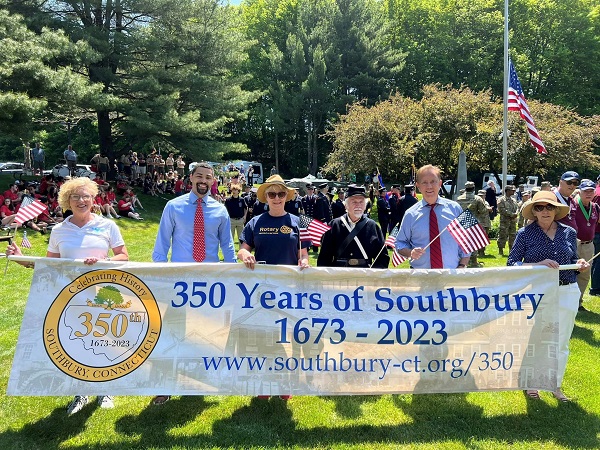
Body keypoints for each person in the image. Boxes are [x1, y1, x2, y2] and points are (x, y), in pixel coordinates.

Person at [5, 177, 129, 414]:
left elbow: (123, 256)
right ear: (67, 201)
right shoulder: (59, 230)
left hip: (103, 293)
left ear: (93, 199)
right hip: (71, 296)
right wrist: (20, 257)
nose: (81, 201)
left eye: (86, 196)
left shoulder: (107, 226)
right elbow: (50, 265)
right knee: (78, 343)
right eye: (76, 197)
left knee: (105, 341)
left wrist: (106, 261)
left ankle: (106, 389)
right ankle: (80, 392)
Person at [151, 162, 236, 405]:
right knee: (172, 333)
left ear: (212, 181)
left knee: (204, 333)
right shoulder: (173, 207)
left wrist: (232, 272)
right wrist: (160, 274)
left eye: (208, 177)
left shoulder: (220, 211)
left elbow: (227, 246)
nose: (203, 180)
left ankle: (198, 380)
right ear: (191, 178)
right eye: (199, 176)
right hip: (178, 281)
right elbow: (162, 244)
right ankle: (165, 385)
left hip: (208, 284)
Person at [507, 191, 589, 402]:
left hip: (567, 290)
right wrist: (537, 265)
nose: (545, 211)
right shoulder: (525, 234)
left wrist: (580, 264)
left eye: (549, 207)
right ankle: (532, 383)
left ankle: (555, 385)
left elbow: (573, 259)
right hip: (538, 293)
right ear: (533, 211)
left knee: (561, 341)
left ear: (555, 210)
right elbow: (512, 264)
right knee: (537, 339)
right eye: (540, 207)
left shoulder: (569, 232)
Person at [395, 165, 471, 269]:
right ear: (418, 186)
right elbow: (400, 243)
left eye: (433, 181)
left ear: (440, 183)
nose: (429, 186)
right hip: (421, 277)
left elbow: (467, 240)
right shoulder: (410, 214)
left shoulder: (456, 208)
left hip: (451, 275)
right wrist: (410, 252)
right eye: (424, 182)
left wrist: (462, 265)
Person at [317, 184, 389, 268]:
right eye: (354, 202)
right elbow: (324, 257)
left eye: (361, 202)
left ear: (365, 205)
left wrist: (372, 276)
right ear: (346, 205)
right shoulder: (334, 225)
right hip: (339, 275)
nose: (358, 205)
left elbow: (382, 258)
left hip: (364, 276)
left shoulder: (372, 226)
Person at [573, 179, 599, 311]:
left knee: (585, 274)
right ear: (580, 191)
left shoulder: (595, 207)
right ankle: (568, 301)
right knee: (571, 272)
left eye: (591, 191)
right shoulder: (573, 205)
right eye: (585, 191)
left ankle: (578, 302)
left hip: (589, 245)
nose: (588, 194)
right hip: (574, 244)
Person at [456, 181, 488, 266]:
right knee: (473, 243)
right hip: (473, 223)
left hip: (462, 222)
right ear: (473, 188)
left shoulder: (459, 198)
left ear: (465, 188)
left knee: (463, 242)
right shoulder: (477, 199)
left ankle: (462, 260)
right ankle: (473, 261)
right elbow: (483, 211)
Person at [497, 185, 518, 256]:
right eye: (512, 190)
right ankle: (500, 250)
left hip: (512, 221)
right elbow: (502, 210)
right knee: (503, 235)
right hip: (504, 222)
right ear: (507, 191)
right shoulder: (501, 200)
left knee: (512, 236)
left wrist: (516, 214)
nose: (513, 191)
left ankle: (511, 251)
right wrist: (512, 214)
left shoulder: (514, 200)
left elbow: (516, 208)